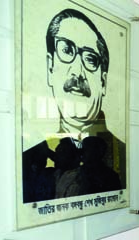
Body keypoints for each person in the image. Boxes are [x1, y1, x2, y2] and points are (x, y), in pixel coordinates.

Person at [22, 8, 125, 202]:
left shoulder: (118, 152)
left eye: (90, 59)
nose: (77, 72)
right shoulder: (37, 151)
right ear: (50, 66)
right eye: (66, 50)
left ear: (103, 82)